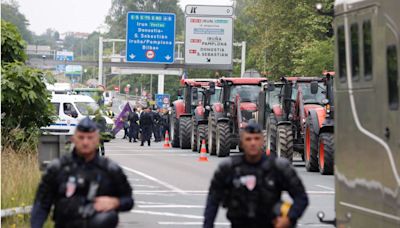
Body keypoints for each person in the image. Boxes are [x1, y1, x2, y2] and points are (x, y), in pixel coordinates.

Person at [31, 117, 134, 228]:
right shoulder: (58, 168)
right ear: (74, 139)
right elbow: (41, 205)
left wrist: (116, 202)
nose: (85, 142)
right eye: (81, 137)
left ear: (97, 140)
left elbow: (128, 200)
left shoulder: (110, 170)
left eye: (90, 138)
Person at [203, 123, 308, 228]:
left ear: (262, 141)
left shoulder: (278, 167)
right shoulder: (228, 168)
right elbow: (213, 200)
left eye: (256, 139)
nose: (253, 143)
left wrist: (289, 218)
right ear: (242, 143)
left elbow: (301, 197)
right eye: (248, 139)